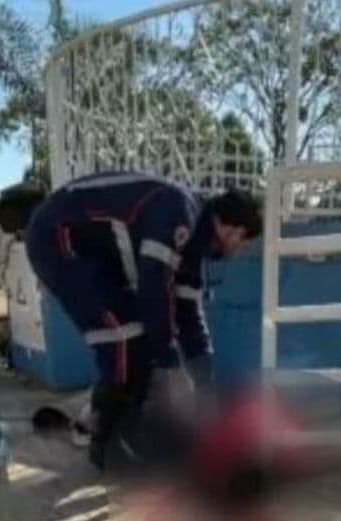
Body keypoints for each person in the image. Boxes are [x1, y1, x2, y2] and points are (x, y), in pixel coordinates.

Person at [23, 171, 262, 468]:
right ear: (230, 229)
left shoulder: (193, 243)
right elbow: (153, 291)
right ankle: (106, 447)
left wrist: (204, 384)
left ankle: (110, 428)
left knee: (141, 343)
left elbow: (189, 316)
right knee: (124, 339)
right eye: (242, 240)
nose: (238, 250)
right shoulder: (181, 212)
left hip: (94, 256)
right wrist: (173, 368)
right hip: (57, 238)